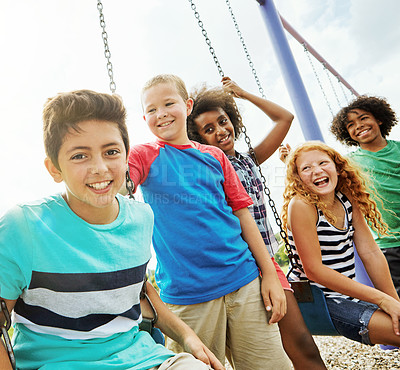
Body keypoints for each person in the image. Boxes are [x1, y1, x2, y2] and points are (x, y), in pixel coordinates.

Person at [0, 89, 224, 370]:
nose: (100, 167)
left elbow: (141, 292)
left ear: (126, 156)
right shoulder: (23, 226)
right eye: (80, 156)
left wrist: (188, 337)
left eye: (111, 152)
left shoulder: (141, 218)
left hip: (141, 358)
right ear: (55, 168)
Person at [128, 74, 291, 370]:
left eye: (169, 103)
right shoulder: (144, 155)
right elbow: (119, 182)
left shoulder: (215, 156)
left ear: (187, 106)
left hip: (243, 281)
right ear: (144, 117)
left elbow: (243, 215)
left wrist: (269, 273)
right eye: (151, 109)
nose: (161, 113)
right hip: (188, 295)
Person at [186, 77, 326, 370]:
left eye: (223, 121)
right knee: (266, 351)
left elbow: (284, 118)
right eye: (208, 130)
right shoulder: (206, 168)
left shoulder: (249, 160)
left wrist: (243, 94)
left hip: (267, 261)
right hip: (241, 266)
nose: (221, 131)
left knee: (301, 344)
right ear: (198, 139)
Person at [281, 141, 400, 347]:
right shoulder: (301, 205)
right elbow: (314, 271)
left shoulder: (346, 199)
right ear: (298, 178)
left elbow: (371, 252)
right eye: (306, 168)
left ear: (337, 167)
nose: (317, 171)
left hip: (347, 295)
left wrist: (394, 303)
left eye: (323, 163)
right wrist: (381, 300)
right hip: (321, 301)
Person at [330, 95, 400, 296]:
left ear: (379, 119)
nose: (358, 126)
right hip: (388, 243)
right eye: (351, 124)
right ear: (347, 133)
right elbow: (326, 183)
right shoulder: (347, 164)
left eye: (363, 118)